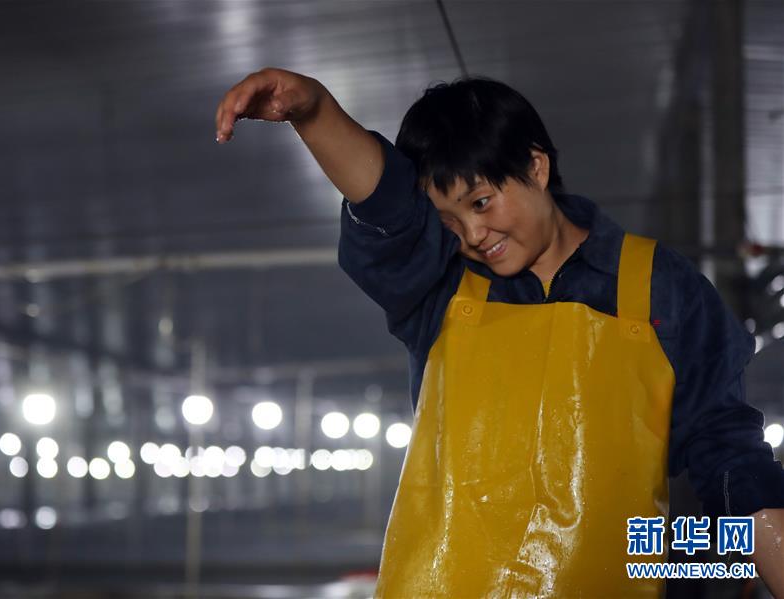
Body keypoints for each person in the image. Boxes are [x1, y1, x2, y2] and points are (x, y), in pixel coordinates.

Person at [214, 67, 784, 597]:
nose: (472, 234)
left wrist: (754, 556)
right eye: (448, 220)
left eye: (481, 202)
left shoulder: (663, 290)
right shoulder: (439, 286)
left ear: (536, 167)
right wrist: (315, 112)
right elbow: (386, 206)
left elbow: (728, 456)